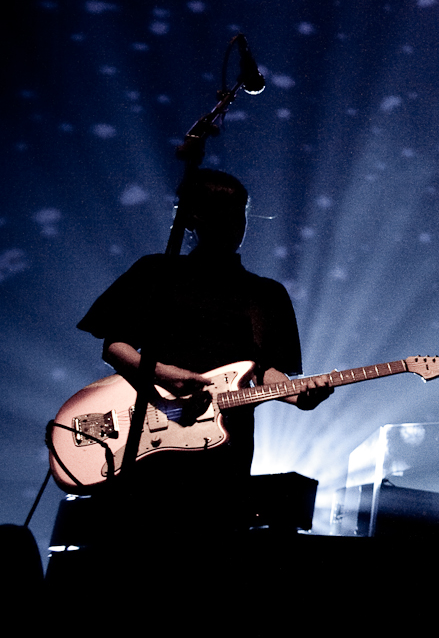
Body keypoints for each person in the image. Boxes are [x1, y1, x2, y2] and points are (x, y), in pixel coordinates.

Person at [75, 169, 331, 534]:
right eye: (222, 210)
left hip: (224, 452)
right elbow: (115, 346)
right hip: (149, 439)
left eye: (240, 211)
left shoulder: (267, 294)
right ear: (193, 216)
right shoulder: (156, 271)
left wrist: (299, 396)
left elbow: (267, 372)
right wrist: (162, 372)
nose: (236, 221)